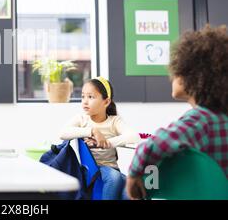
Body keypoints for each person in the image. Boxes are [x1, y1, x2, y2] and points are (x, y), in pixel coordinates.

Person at [126, 25, 228, 200]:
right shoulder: (222, 119)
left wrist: (133, 174)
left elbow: (156, 144)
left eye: (178, 71)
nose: (173, 77)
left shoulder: (202, 120)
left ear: (195, 76)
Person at [60, 77, 141, 200]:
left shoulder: (114, 121)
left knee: (133, 190)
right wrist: (92, 131)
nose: (85, 102)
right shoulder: (82, 119)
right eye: (83, 96)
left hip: (113, 169)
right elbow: (62, 132)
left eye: (91, 97)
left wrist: (107, 142)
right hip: (94, 169)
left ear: (106, 102)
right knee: (114, 178)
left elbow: (134, 136)